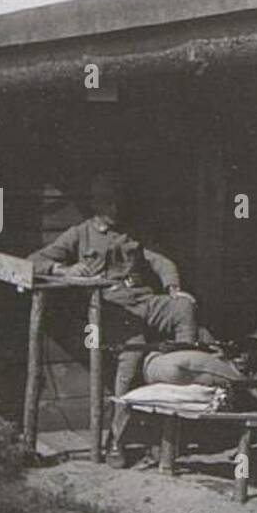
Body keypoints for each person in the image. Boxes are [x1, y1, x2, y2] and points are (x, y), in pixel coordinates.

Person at [28, 174, 197, 465]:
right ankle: (119, 440)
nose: (115, 209)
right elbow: (34, 260)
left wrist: (173, 288)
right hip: (111, 308)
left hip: (143, 300)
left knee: (185, 310)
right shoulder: (79, 234)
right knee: (130, 365)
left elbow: (161, 260)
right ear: (96, 204)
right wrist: (62, 269)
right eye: (108, 202)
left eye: (119, 202)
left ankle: (181, 384)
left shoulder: (133, 232)